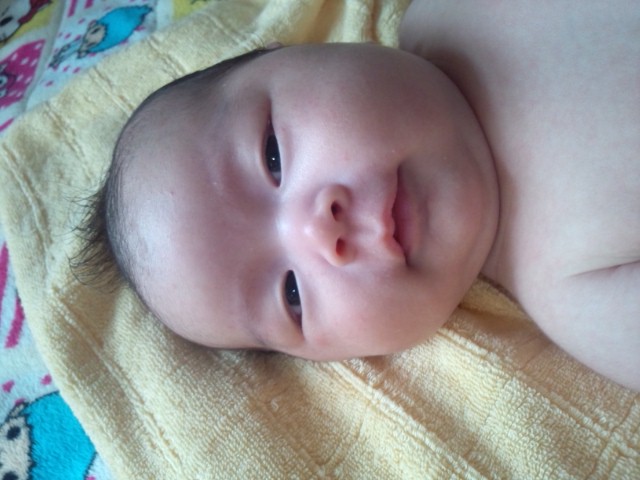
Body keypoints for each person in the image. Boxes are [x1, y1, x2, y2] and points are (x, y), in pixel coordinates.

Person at [74, 1, 639, 391]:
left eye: (272, 156)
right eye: (291, 295)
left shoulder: (440, 12)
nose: (319, 232)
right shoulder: (577, 292)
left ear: (290, 51)